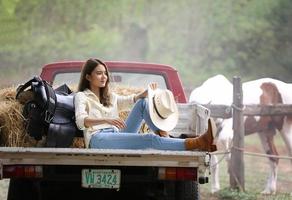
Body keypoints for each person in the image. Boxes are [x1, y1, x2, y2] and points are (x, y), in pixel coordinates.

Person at [74, 58, 217, 152]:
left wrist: (143, 94)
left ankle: (164, 136)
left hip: (116, 135)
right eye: (99, 73)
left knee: (143, 103)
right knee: (149, 139)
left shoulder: (109, 96)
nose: (104, 76)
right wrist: (106, 120)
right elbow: (81, 122)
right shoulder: (82, 96)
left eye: (105, 73)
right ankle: (197, 143)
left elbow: (129, 100)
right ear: (88, 77)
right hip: (98, 139)